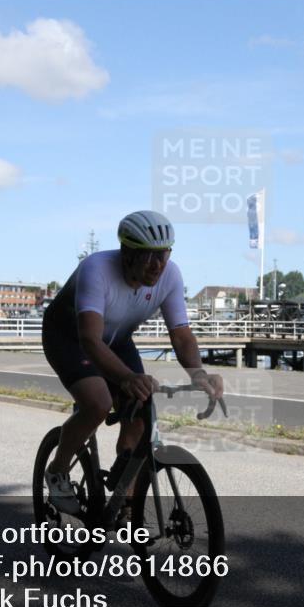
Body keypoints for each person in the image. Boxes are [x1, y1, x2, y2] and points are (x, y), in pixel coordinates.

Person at [41, 210, 223, 515]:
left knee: (141, 407)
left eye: (164, 254)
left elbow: (181, 335)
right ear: (127, 253)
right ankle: (57, 471)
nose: (158, 265)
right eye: (148, 256)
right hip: (70, 338)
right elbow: (89, 338)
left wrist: (198, 373)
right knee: (98, 403)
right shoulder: (96, 269)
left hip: (116, 341)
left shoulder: (171, 275)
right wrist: (125, 377)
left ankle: (124, 493)